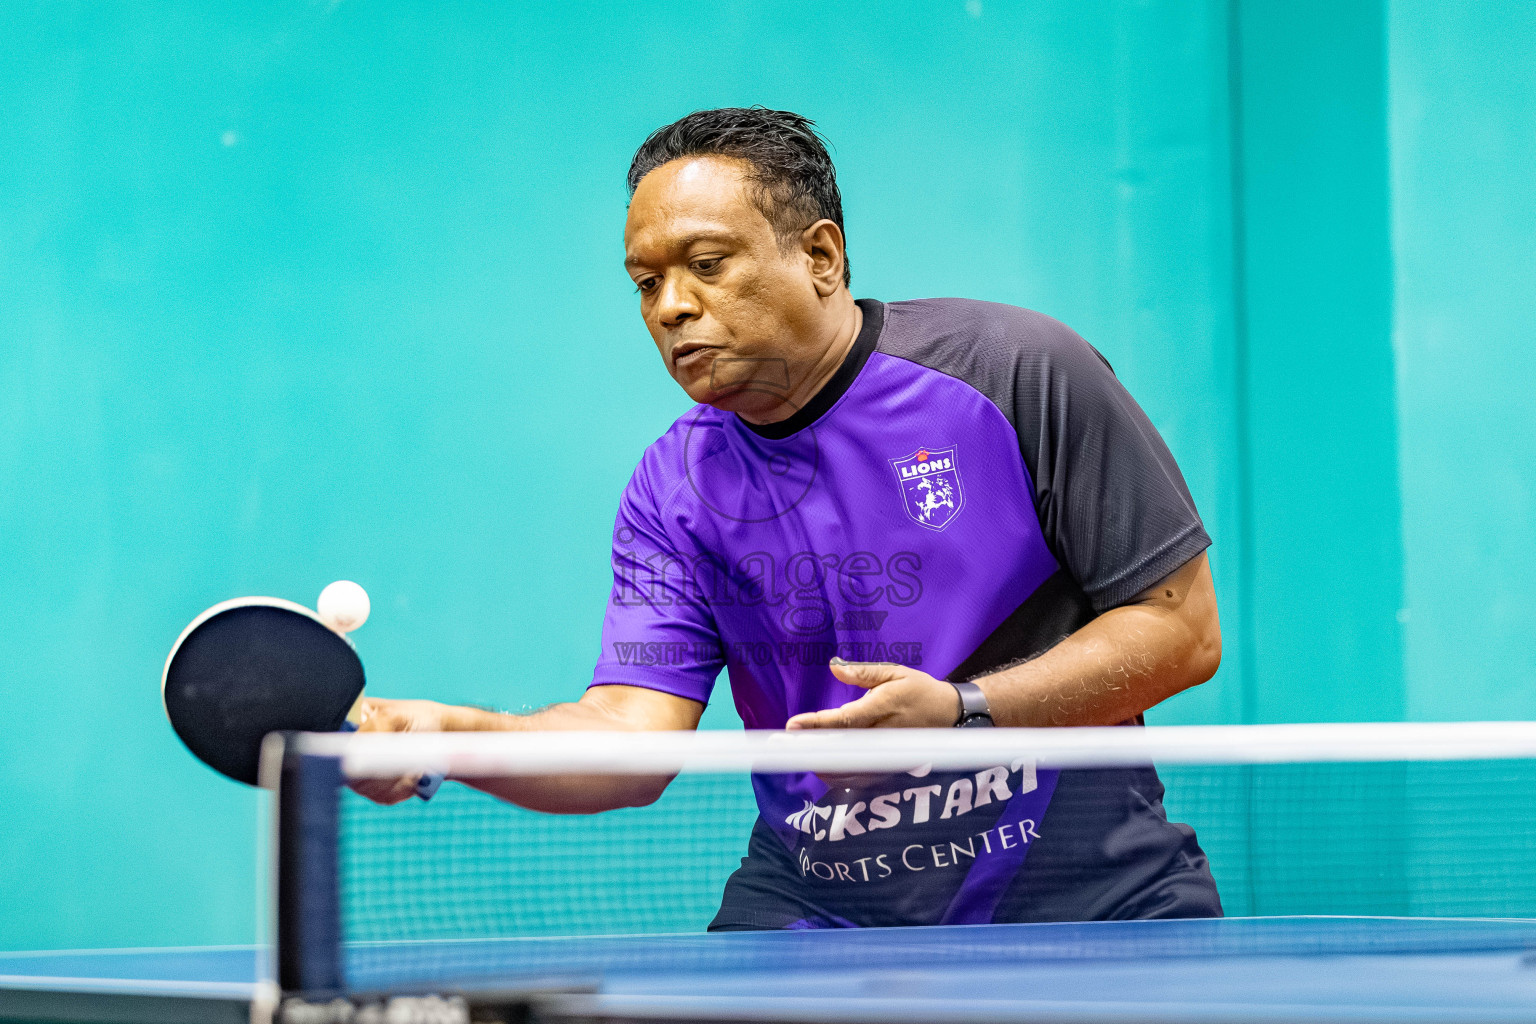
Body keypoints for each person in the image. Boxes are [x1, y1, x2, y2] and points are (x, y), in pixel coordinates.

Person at [357, 107, 1224, 927]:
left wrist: (964, 711)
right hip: (822, 912)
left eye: (706, 263)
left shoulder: (1015, 372)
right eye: (647, 283)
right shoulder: (675, 486)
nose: (670, 307)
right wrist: (452, 732)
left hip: (1089, 904)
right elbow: (631, 730)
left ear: (820, 256)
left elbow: (1181, 631)